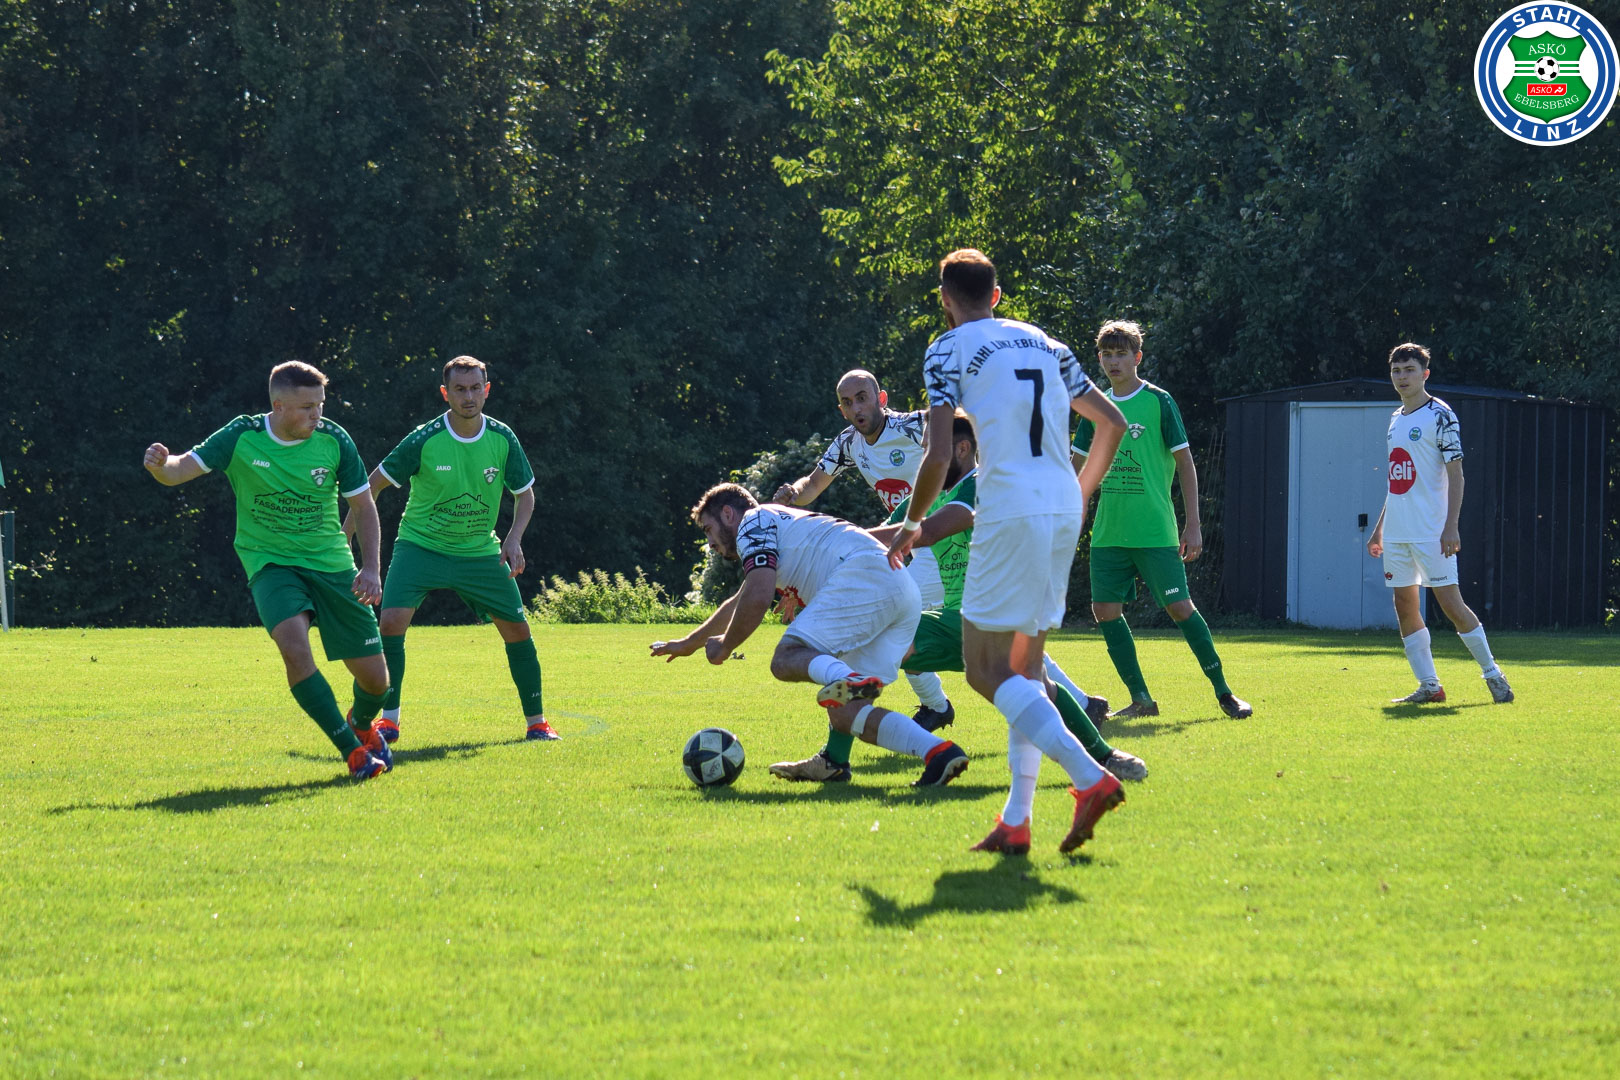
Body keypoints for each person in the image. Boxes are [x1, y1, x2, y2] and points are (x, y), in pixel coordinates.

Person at [887, 249, 1129, 856]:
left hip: (1009, 510)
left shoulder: (946, 349)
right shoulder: (1047, 342)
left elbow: (938, 455)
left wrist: (911, 523)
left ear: (946, 300)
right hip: (1060, 508)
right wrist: (1077, 494)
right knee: (1026, 670)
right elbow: (1112, 423)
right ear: (996, 295)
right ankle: (1017, 821)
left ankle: (1090, 778)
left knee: (983, 669)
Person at [771, 411, 1147, 784]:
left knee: (1036, 684)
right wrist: (810, 573)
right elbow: (876, 545)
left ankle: (1104, 757)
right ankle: (835, 759)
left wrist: (836, 541)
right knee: (868, 651)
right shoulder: (930, 495)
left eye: (932, 452)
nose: (925, 462)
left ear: (963, 449)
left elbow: (929, 531)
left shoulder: (983, 485)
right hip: (959, 618)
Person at [142, 361, 393, 781]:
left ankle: (362, 724)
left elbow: (363, 506)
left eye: (320, 405)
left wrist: (371, 568)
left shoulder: (334, 440)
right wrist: (159, 466)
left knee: (377, 683)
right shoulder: (242, 435)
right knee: (294, 647)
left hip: (333, 566)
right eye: (307, 407)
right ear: (278, 406)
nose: (317, 415)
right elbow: (180, 469)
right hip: (271, 564)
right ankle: (353, 753)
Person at [650, 483, 969, 788]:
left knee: (785, 659)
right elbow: (740, 600)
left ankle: (847, 678)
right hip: (899, 588)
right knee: (847, 714)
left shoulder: (752, 522)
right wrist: (689, 643)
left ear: (728, 514)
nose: (710, 542)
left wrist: (726, 645)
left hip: (865, 577)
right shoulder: (777, 523)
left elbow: (758, 596)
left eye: (708, 529)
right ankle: (935, 753)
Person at [346, 356, 553, 743]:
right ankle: (388, 720)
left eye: (475, 388)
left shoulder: (502, 437)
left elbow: (525, 496)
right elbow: (370, 487)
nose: (468, 396)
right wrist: (345, 541)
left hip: (480, 551)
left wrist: (513, 538)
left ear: (486, 390)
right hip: (420, 547)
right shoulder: (424, 438)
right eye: (459, 389)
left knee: (518, 630)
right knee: (390, 624)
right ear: (446, 393)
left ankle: (537, 724)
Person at [1071, 320, 1253, 720]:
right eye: (1107, 354)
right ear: (1099, 359)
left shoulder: (1159, 401)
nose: (1114, 361)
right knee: (1105, 611)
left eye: (1121, 354)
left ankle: (1225, 693)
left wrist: (1193, 524)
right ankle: (1141, 700)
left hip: (1155, 531)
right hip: (1108, 534)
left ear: (1137, 357)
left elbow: (1185, 462)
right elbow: (1075, 468)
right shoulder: (1094, 406)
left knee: (1179, 608)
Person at [771, 370, 956, 729]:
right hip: (918, 547)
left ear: (881, 399)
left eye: (862, 398)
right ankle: (932, 706)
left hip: (947, 540)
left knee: (896, 625)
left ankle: (876, 708)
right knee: (907, 629)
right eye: (847, 402)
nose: (856, 407)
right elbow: (812, 485)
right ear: (841, 410)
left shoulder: (913, 426)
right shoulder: (848, 443)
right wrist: (793, 493)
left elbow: (956, 432)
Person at [1366, 343, 1512, 704]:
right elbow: (1397, 480)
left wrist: (1451, 526)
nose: (1402, 377)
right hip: (1397, 532)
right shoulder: (1395, 418)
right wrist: (1380, 527)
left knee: (1450, 604)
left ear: (1425, 374)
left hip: (1431, 530)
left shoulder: (1440, 415)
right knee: (1404, 605)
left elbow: (1456, 475)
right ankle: (1430, 686)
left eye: (1409, 370)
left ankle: (1493, 674)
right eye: (1396, 371)